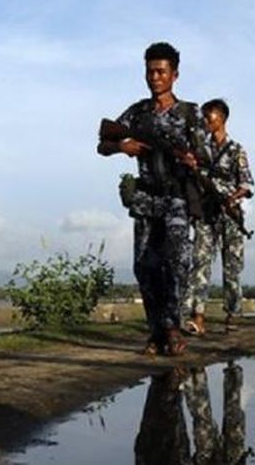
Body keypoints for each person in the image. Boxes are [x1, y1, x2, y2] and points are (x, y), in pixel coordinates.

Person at [97, 42, 205, 356]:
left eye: (161, 71)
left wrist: (192, 161)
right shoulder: (137, 112)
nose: (154, 77)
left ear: (175, 75)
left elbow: (203, 154)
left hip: (176, 199)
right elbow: (102, 143)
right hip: (145, 198)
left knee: (176, 263)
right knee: (144, 266)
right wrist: (123, 147)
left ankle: (172, 327)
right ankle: (157, 332)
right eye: (150, 71)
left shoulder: (189, 113)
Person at [185, 99, 254, 335]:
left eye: (209, 117)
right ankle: (198, 316)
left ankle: (232, 313)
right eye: (203, 117)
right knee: (200, 261)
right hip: (206, 213)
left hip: (230, 215)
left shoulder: (236, 150)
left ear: (221, 118)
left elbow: (246, 184)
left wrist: (230, 200)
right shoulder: (199, 150)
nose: (205, 121)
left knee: (232, 267)